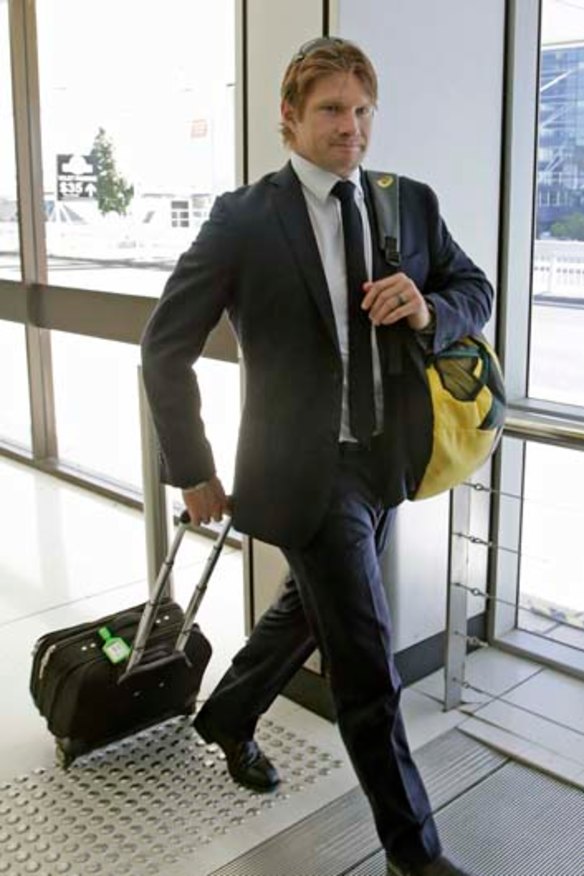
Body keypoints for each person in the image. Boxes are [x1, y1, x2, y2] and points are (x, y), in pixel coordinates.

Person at [141, 36, 491, 876]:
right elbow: (163, 348)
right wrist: (193, 471)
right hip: (306, 468)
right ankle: (417, 857)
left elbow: (473, 290)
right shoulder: (244, 219)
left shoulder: (407, 203)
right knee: (367, 665)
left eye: (364, 109)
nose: (353, 127)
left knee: (313, 609)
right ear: (289, 119)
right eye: (332, 109)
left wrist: (425, 309)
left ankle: (228, 714)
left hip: (386, 460)